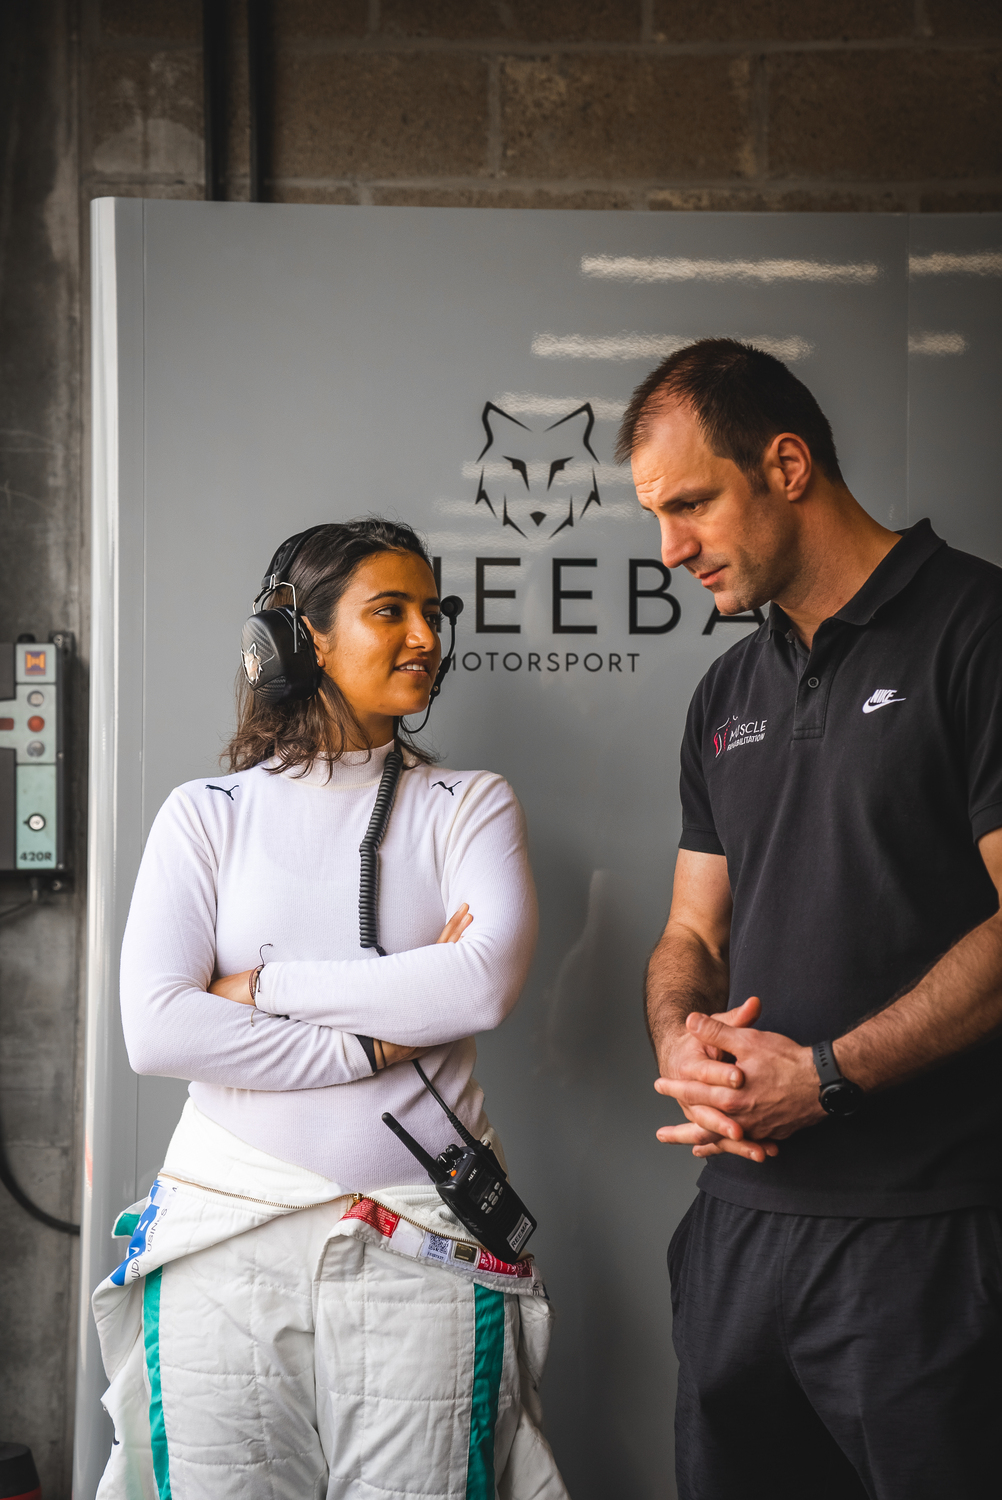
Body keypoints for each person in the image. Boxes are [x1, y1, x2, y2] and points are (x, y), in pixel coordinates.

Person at [92, 518, 569, 1500]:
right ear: (295, 639)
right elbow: (161, 1028)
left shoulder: (467, 804)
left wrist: (265, 990)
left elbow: (480, 983)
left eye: (432, 612)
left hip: (423, 1252)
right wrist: (377, 1040)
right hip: (222, 1248)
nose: (426, 637)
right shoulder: (206, 814)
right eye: (390, 611)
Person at [617, 339, 1002, 1500]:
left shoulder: (978, 629)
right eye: (657, 517)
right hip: (739, 1233)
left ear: (786, 466)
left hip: (929, 1232)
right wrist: (682, 1046)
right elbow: (694, 933)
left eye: (690, 504)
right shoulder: (727, 690)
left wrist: (827, 1077)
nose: (670, 549)